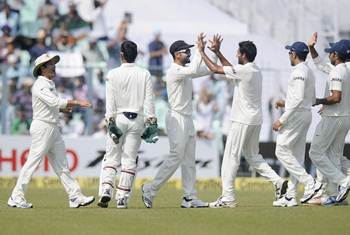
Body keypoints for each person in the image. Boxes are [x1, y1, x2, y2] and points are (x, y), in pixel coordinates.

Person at [197, 34, 288, 208]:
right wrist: (218, 51)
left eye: (238, 52)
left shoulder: (245, 71)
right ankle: (277, 181)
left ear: (243, 55)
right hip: (254, 120)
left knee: (231, 157)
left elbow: (216, 69)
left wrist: (202, 52)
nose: (236, 54)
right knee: (253, 156)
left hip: (242, 120)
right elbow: (231, 69)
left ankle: (228, 198)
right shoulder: (254, 70)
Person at [8, 53, 95, 208]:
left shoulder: (49, 84)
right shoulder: (40, 85)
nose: (54, 67)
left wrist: (62, 110)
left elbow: (50, 106)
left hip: (52, 127)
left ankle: (75, 196)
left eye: (54, 64)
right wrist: (78, 102)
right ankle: (16, 196)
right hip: (43, 127)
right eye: (50, 64)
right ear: (42, 68)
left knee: (62, 165)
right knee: (33, 162)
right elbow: (55, 102)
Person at [141, 38, 217, 209]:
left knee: (189, 160)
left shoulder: (185, 70)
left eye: (190, 51)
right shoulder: (175, 70)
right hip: (176, 118)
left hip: (188, 119)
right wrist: (199, 50)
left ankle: (189, 197)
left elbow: (207, 70)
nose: (189, 53)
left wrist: (214, 53)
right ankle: (150, 189)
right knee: (176, 156)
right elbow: (195, 68)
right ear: (177, 54)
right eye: (187, 51)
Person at [98, 40, 157, 209]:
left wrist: (110, 122)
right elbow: (149, 100)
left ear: (121, 55)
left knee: (111, 157)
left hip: (118, 118)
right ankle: (122, 197)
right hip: (137, 120)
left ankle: (106, 190)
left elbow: (110, 101)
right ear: (136, 55)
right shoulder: (144, 73)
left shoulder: (113, 73)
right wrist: (151, 121)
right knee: (130, 159)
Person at [272, 41, 322, 207]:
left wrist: (282, 119)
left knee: (281, 150)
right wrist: (285, 103)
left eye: (289, 53)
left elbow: (299, 97)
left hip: (297, 116)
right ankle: (290, 196)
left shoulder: (299, 71)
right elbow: (309, 98)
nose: (288, 55)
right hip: (304, 113)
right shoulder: (308, 70)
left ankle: (310, 183)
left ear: (294, 54)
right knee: (297, 155)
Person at [307, 33, 350, 206]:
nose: (329, 54)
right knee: (334, 156)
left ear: (336, 55)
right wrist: (311, 48)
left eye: (331, 52)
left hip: (334, 117)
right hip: (345, 117)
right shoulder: (345, 69)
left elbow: (336, 97)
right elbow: (320, 65)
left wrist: (319, 100)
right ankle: (336, 197)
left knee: (315, 153)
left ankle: (343, 181)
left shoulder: (337, 73)